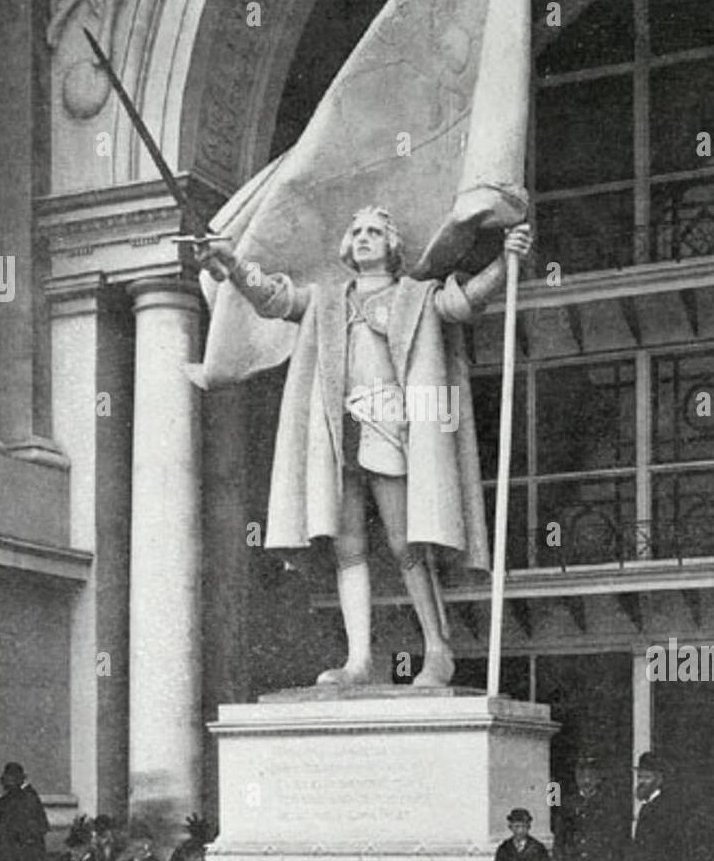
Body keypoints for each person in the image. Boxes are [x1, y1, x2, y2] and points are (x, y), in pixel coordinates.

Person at [196, 208, 533, 689]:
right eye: (355, 231)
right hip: (340, 433)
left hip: (392, 428)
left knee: (405, 542)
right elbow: (272, 297)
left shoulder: (414, 296)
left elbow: (461, 304)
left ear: (392, 245)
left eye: (374, 231)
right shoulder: (326, 300)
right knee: (347, 546)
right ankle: (359, 660)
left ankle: (437, 652)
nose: (363, 238)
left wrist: (505, 262)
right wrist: (233, 264)